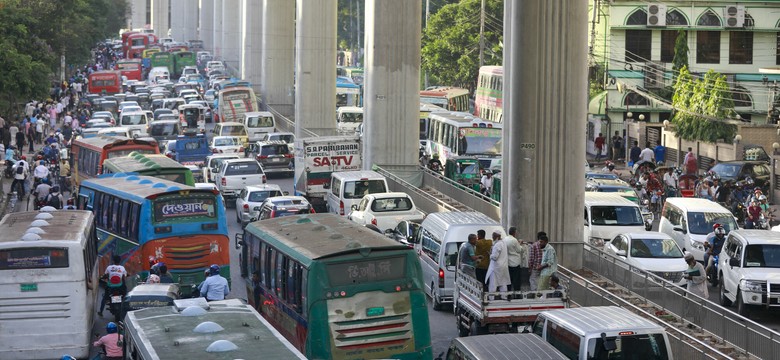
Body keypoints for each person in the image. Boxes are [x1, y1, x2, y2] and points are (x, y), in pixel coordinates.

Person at [485, 231, 511, 296]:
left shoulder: (497, 245)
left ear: (497, 237)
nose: (492, 238)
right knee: (503, 283)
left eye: (493, 236)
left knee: (493, 284)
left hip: (496, 268)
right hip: (503, 266)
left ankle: (491, 298)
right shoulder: (503, 243)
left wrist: (490, 254)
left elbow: (494, 257)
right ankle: (504, 297)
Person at [504, 227, 526, 292]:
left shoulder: (505, 239)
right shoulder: (514, 240)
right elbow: (519, 250)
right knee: (516, 280)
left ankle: (508, 294)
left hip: (508, 262)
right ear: (514, 232)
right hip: (515, 262)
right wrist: (521, 244)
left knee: (509, 280)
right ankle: (517, 295)